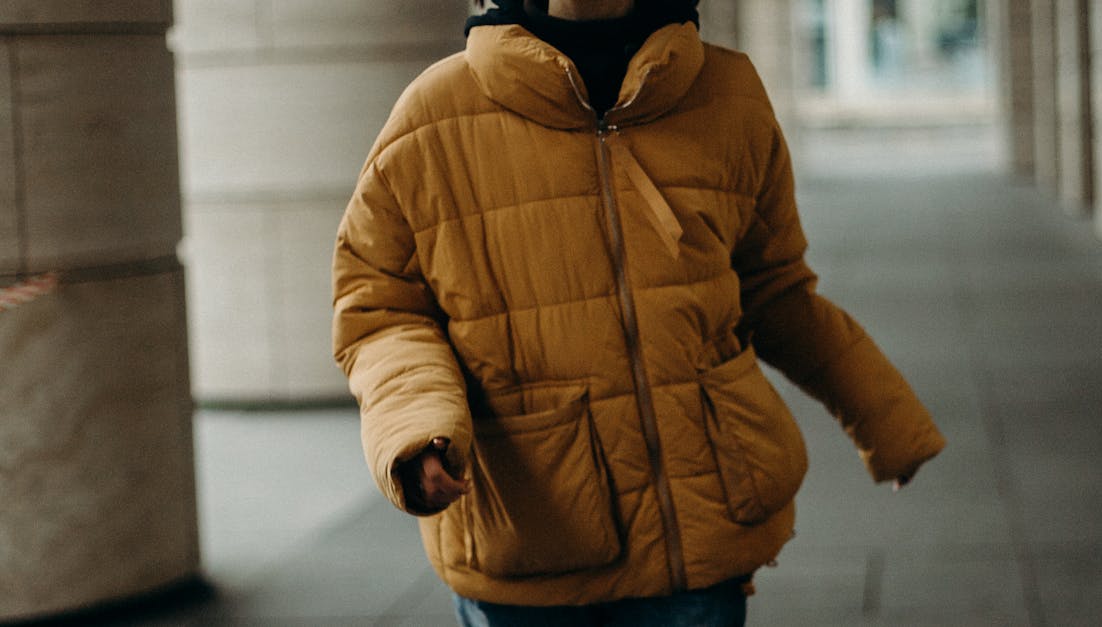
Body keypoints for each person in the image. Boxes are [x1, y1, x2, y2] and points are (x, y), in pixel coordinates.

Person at [331, 1, 946, 625]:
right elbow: (380, 307)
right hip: (533, 539)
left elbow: (775, 290)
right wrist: (415, 426)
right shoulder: (434, 116)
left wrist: (885, 416)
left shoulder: (726, 94)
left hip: (700, 530)